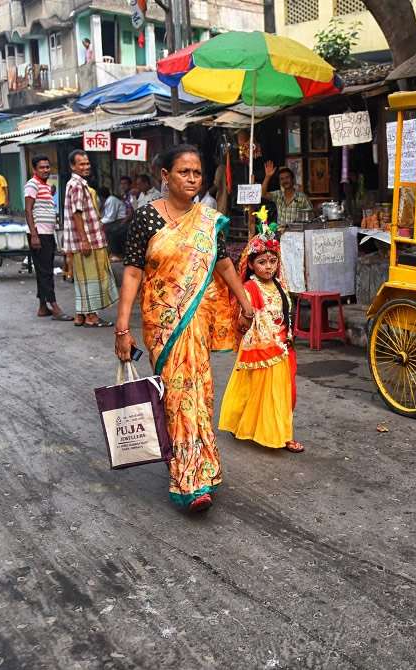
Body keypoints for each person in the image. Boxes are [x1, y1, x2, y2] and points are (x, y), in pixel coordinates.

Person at [114, 144, 255, 512]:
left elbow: (223, 263)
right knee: (177, 394)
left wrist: (243, 300)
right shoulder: (146, 219)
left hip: (198, 319)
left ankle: (196, 469)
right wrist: (121, 326)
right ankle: (188, 481)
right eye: (183, 172)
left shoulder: (208, 220)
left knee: (199, 392)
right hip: (162, 323)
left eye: (196, 173)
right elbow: (132, 272)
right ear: (165, 176)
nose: (192, 179)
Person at [218, 224, 302, 453]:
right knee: (256, 391)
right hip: (261, 346)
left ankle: (280, 433)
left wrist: (286, 337)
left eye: (272, 261)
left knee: (281, 393)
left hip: (281, 345)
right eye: (262, 262)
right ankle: (280, 437)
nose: (268, 267)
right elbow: (242, 320)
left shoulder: (280, 286)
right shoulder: (249, 287)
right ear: (251, 264)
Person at [60, 150, 117, 327]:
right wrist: (85, 240)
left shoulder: (74, 184)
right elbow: (77, 214)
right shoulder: (77, 185)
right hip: (87, 241)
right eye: (81, 164)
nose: (86, 167)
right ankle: (91, 317)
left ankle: (81, 315)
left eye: (87, 163)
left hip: (81, 240)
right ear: (73, 166)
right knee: (93, 277)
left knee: (83, 277)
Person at [23, 154, 72, 321]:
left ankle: (43, 307)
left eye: (47, 167)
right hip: (39, 235)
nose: (45, 170)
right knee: (46, 272)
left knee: (43, 270)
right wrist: (34, 235)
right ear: (34, 169)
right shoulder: (32, 185)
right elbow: (28, 211)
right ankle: (55, 308)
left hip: (48, 234)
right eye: (41, 167)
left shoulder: (46, 186)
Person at [100, 185, 128, 260]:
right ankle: (111, 251)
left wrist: (101, 223)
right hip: (116, 220)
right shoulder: (109, 200)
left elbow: (111, 217)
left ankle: (117, 253)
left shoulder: (111, 200)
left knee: (111, 230)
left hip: (121, 220)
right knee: (107, 229)